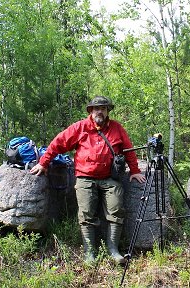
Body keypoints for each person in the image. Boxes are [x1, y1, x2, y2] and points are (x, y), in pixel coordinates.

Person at [30, 95, 146, 264]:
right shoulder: (80, 127)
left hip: (109, 178)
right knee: (86, 215)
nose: (100, 111)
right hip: (85, 177)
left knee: (116, 210)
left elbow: (128, 149)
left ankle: (113, 250)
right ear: (91, 111)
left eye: (103, 108)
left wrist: (134, 170)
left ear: (107, 111)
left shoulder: (117, 128)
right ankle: (90, 253)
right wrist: (44, 163)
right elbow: (58, 143)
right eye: (96, 108)